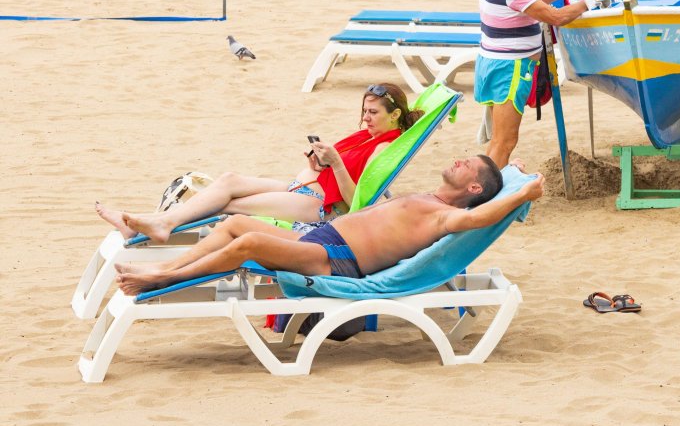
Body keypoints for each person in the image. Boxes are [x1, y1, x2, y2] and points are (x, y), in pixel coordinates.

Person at [114, 156, 543, 295]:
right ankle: (165, 272)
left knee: (248, 244)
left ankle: (159, 280)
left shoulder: (446, 215)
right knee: (238, 223)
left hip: (337, 260)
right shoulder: (429, 198)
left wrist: (520, 194)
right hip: (323, 238)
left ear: (471, 185)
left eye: (466, 163)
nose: (457, 159)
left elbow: (479, 217)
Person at [95, 83, 423, 243]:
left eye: (373, 113)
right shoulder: (367, 136)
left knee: (232, 204)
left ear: (395, 115)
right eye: (364, 111)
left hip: (323, 207)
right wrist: (318, 164)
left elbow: (356, 203)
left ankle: (154, 227)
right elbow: (336, 171)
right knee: (228, 180)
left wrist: (335, 164)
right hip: (308, 187)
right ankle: (156, 222)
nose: (366, 118)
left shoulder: (384, 148)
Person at [476, 0, 598, 168]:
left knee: (498, 140)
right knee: (506, 141)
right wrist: (588, 4)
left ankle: (488, 186)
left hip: (491, 63)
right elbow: (556, 17)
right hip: (508, 70)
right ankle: (488, 196)